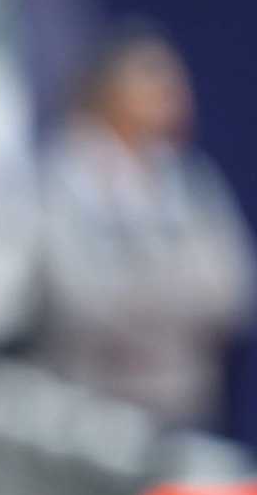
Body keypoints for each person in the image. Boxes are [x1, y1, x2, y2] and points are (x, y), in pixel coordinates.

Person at [37, 27, 254, 426]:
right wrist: (169, 300)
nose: (172, 95)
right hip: (85, 417)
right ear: (108, 92)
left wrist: (133, 293)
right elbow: (79, 299)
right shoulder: (59, 181)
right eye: (152, 81)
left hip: (184, 411)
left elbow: (232, 292)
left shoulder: (192, 184)